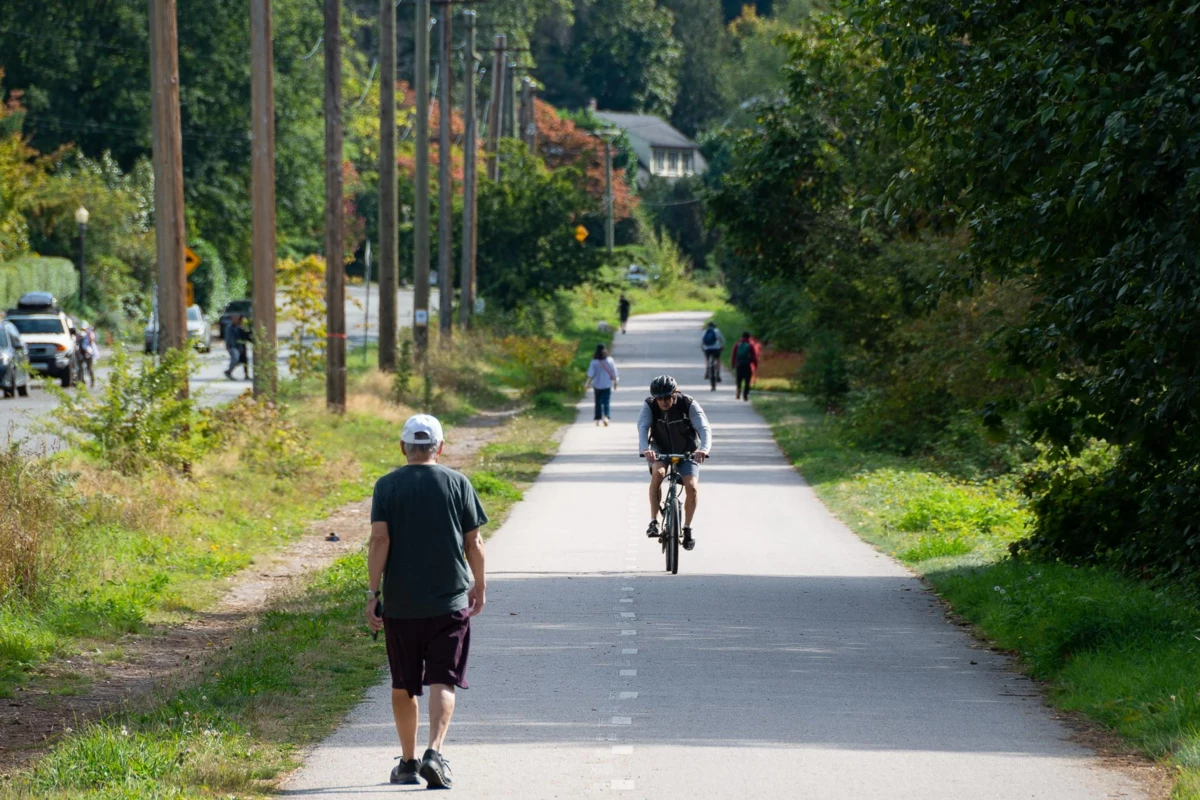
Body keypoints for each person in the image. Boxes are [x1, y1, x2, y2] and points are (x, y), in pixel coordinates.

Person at [365, 414, 489, 790]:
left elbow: (380, 541)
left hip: (402, 606)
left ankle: (407, 762)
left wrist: (373, 594)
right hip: (449, 602)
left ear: (403, 447)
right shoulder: (457, 482)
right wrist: (479, 585)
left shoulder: (386, 486)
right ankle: (434, 752)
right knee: (442, 679)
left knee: (403, 683)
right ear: (441, 446)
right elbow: (474, 543)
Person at [638, 375, 712, 551]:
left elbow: (704, 428)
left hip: (687, 450)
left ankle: (686, 528)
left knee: (692, 487)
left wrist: (704, 449)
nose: (663, 401)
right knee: (659, 474)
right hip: (660, 448)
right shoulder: (649, 405)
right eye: (659, 398)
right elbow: (642, 427)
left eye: (667, 397)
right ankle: (654, 521)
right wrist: (644, 449)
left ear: (674, 394)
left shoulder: (688, 404)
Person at [585, 344, 619, 426]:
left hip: (597, 385)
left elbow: (590, 374)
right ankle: (606, 417)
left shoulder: (594, 362)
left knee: (597, 403)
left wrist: (587, 383)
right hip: (607, 385)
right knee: (606, 402)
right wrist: (615, 383)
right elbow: (614, 372)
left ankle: (598, 419)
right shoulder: (610, 360)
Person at [731, 331, 759, 401]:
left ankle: (738, 390)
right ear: (749, 337)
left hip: (739, 364)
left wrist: (733, 364)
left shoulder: (737, 345)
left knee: (739, 379)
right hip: (747, 364)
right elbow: (754, 357)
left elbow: (734, 355)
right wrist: (755, 365)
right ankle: (745, 395)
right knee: (747, 380)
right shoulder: (750, 346)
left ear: (742, 337)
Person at [700, 321, 725, 386]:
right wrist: (722, 346)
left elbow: (702, 340)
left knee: (707, 358)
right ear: (714, 326)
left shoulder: (705, 331)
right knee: (718, 359)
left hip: (707, 349)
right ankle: (718, 374)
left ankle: (707, 371)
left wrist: (703, 348)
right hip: (716, 348)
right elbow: (722, 340)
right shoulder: (717, 331)